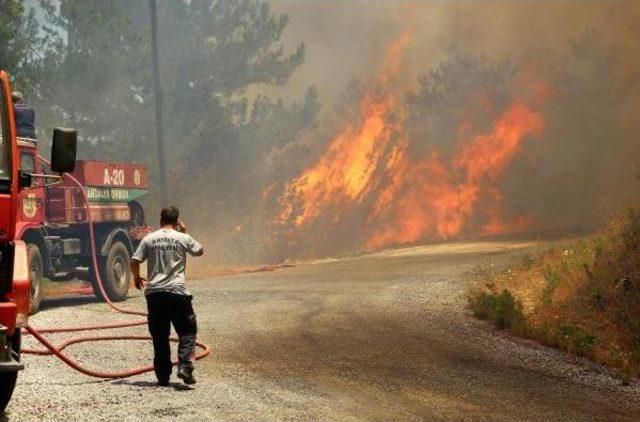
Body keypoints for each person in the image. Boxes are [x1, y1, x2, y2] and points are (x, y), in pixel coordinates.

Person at [130, 206, 204, 386]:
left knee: (160, 336)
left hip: (155, 294)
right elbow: (199, 251)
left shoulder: (149, 238)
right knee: (187, 331)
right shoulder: (182, 237)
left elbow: (134, 260)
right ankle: (185, 367)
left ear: (161, 219)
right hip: (177, 293)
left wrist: (137, 277)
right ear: (177, 221)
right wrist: (185, 233)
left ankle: (163, 377)